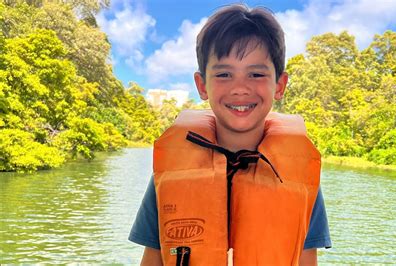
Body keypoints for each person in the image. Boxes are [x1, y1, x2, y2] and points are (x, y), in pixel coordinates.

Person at [129, 4, 331, 265]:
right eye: (224, 74)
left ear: (279, 85)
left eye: (256, 74)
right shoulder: (169, 175)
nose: (240, 88)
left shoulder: (300, 178)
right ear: (202, 85)